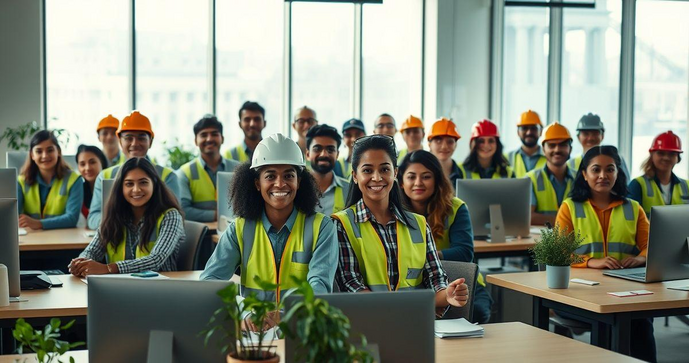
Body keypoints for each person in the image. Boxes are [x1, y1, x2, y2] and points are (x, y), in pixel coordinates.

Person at [332, 134, 469, 317]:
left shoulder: (419, 224)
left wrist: (448, 295)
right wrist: (399, 309)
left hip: (414, 322)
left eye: (384, 169)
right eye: (367, 170)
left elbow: (435, 277)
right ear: (355, 176)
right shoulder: (341, 224)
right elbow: (351, 285)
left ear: (395, 173)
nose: (377, 177)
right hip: (366, 324)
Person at [201, 133, 338, 304]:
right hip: (252, 328)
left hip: (299, 326)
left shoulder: (322, 227)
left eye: (288, 176)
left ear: (299, 182)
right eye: (270, 176)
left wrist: (284, 316)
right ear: (258, 184)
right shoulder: (240, 229)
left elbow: (319, 289)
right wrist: (241, 310)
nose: (280, 184)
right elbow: (210, 282)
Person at [555, 145, 655, 362]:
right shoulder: (569, 207)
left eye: (610, 169)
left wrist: (641, 257)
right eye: (596, 169)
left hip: (624, 287)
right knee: (607, 320)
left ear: (618, 173)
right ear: (584, 174)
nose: (603, 175)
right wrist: (591, 262)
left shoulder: (633, 208)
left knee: (641, 320)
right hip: (580, 291)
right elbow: (559, 253)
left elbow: (651, 246)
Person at [398, 150, 492, 323]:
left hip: (459, 279)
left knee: (478, 312)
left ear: (437, 180)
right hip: (413, 282)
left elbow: (464, 253)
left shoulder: (455, 207)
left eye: (426, 177)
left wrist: (428, 255)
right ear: (402, 182)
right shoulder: (392, 212)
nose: (418, 183)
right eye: (411, 177)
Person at [70, 157, 185, 276]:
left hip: (159, 287)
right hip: (118, 286)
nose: (136, 190)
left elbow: (155, 260)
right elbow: (92, 250)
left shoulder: (171, 216)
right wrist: (81, 262)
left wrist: (108, 268)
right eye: (129, 184)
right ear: (121, 188)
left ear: (154, 184)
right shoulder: (114, 215)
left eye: (143, 182)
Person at [87, 111, 179, 230]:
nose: (135, 144)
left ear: (150, 142)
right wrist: (122, 222)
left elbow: (175, 219)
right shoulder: (105, 176)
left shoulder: (168, 176)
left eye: (141, 137)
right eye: (128, 138)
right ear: (120, 141)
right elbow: (93, 218)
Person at [177, 115, 240, 222]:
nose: (209, 139)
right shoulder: (184, 172)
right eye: (203, 135)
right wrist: (218, 215)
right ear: (196, 141)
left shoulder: (238, 169)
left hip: (235, 232)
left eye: (214, 134)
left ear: (222, 139)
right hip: (201, 236)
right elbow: (183, 210)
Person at [17, 130, 83, 230]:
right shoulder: (21, 181)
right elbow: (13, 216)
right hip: (30, 238)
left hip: (63, 238)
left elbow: (72, 218)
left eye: (50, 150)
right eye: (39, 151)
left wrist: (39, 223)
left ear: (59, 152)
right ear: (32, 155)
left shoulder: (74, 180)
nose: (45, 156)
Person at [526, 122, 575, 226]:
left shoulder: (580, 178)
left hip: (575, 240)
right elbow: (527, 216)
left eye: (563, 145)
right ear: (543, 149)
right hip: (540, 241)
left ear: (570, 149)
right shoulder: (530, 179)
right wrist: (565, 221)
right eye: (552, 145)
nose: (557, 150)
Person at [628, 131, 688, 216]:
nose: (666, 158)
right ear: (652, 155)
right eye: (661, 153)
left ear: (678, 158)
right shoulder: (637, 185)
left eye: (671, 154)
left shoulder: (687, 186)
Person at [568, 113, 630, 180]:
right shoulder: (571, 164)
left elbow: (625, 185)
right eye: (586, 134)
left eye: (595, 134)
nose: (590, 138)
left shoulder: (616, 159)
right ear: (578, 137)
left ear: (602, 136)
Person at [305, 124, 350, 215]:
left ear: (337, 155)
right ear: (308, 154)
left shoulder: (350, 190)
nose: (324, 154)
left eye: (330, 150)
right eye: (317, 149)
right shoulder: (296, 189)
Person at [506, 110, 547, 178]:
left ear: (541, 131)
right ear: (518, 132)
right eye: (524, 128)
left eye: (534, 128)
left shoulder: (551, 158)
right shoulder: (506, 158)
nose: (529, 132)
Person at [427, 118, 463, 190]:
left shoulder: (463, 171)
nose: (444, 147)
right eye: (438, 141)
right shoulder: (421, 171)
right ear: (429, 144)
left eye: (450, 141)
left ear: (455, 145)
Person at [75, 145, 107, 222]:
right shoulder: (78, 190)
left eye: (92, 162)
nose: (87, 168)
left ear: (101, 162)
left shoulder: (113, 187)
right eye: (82, 164)